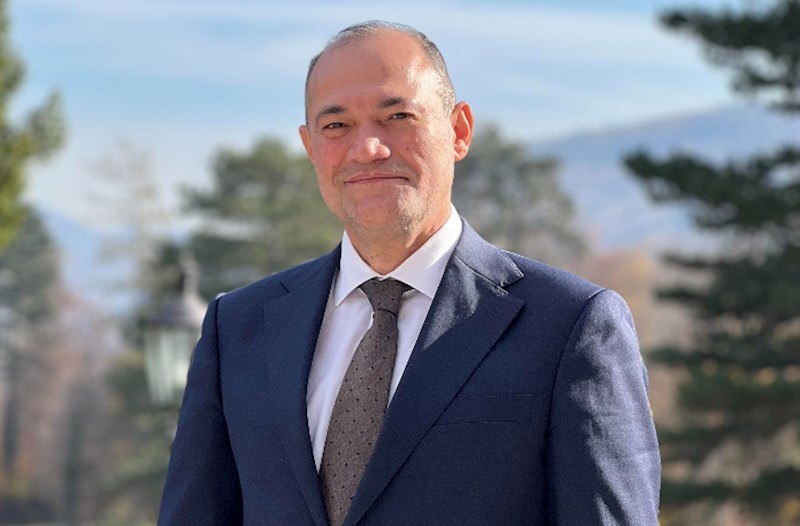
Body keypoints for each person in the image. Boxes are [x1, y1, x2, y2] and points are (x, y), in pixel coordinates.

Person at [158, 20, 660, 526]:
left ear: (459, 131)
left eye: (397, 116)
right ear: (310, 147)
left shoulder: (569, 326)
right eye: (336, 126)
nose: (367, 148)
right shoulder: (238, 327)